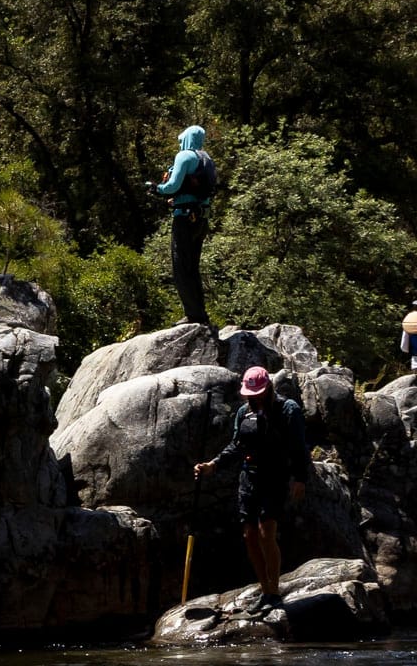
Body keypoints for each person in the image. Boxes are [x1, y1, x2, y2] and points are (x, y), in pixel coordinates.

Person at [194, 366, 310, 607]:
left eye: (257, 393)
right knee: (249, 535)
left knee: (267, 532)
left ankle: (274, 592)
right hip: (249, 477)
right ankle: (264, 588)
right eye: (249, 394)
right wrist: (213, 465)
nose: (253, 397)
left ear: (268, 388)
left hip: (275, 477)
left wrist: (300, 478)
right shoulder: (243, 413)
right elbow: (237, 445)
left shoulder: (288, 409)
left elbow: (300, 447)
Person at [147, 125, 215, 326]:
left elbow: (173, 186)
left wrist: (157, 189)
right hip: (201, 219)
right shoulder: (207, 159)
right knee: (192, 267)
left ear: (185, 139)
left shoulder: (184, 156)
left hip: (185, 219)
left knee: (181, 267)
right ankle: (199, 313)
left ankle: (194, 316)